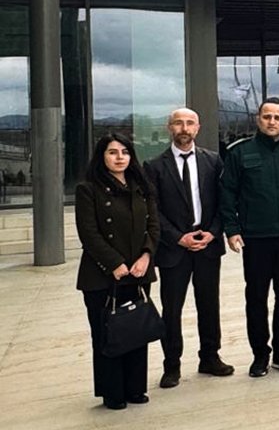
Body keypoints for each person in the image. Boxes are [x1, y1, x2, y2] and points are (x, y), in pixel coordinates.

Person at [220, 97, 279, 378]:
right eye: (267, 116)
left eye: (277, 117)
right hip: (256, 237)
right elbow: (227, 193)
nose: (272, 122)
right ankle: (260, 354)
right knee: (256, 297)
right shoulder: (239, 152)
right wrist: (232, 230)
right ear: (258, 119)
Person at [143, 108, 233, 389]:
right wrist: (177, 237)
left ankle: (210, 357)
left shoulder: (213, 161)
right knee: (172, 309)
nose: (184, 128)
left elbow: (224, 201)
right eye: (179, 123)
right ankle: (172, 365)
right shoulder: (154, 166)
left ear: (198, 127)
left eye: (190, 123)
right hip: (174, 249)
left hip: (207, 244)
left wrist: (213, 233)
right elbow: (152, 210)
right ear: (169, 127)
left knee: (209, 304)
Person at [75, 133, 160, 410]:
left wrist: (146, 256)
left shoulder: (142, 186)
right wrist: (114, 263)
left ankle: (135, 388)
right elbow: (88, 233)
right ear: (102, 156)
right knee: (107, 333)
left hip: (138, 271)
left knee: (135, 329)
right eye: (112, 152)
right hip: (102, 275)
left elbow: (154, 226)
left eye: (124, 152)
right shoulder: (88, 189)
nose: (119, 157)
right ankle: (112, 393)